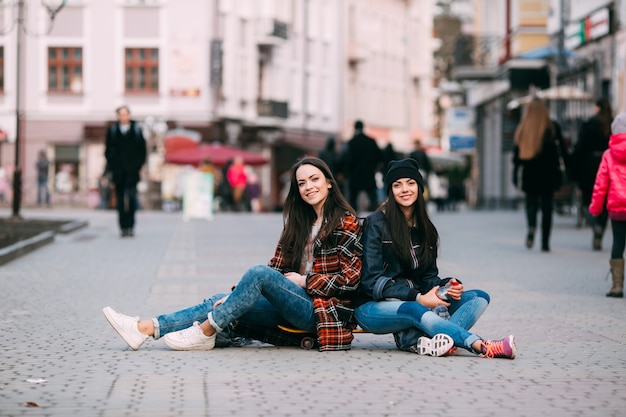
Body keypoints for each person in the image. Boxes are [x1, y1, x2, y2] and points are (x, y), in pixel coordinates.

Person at [103, 157, 363, 352]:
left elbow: (351, 281)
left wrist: (305, 281)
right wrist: (235, 296)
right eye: (302, 183)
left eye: (314, 179)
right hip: (288, 303)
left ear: (329, 182)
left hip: (320, 312)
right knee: (220, 299)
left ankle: (205, 331)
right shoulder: (298, 224)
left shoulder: (346, 223)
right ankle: (144, 329)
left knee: (257, 273)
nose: (308, 187)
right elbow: (276, 269)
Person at [354, 158, 516, 359]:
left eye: (410, 183)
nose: (405, 189)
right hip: (372, 307)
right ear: (390, 191)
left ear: (420, 188)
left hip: (417, 301)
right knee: (415, 308)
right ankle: (480, 345)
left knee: (479, 297)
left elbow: (428, 277)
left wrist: (446, 286)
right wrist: (418, 297)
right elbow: (371, 282)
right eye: (397, 185)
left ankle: (424, 341)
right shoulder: (375, 223)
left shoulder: (426, 229)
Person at [512, 98, 567, 252]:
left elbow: (517, 156)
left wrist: (515, 174)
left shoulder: (523, 128)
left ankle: (531, 228)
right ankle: (545, 242)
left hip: (530, 173)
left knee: (531, 204)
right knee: (547, 208)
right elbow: (561, 151)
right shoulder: (552, 127)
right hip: (548, 173)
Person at [589, 113, 626, 298]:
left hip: (617, 208)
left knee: (618, 243)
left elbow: (600, 184)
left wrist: (595, 208)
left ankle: (617, 285)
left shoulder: (609, 155)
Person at [571, 98, 613, 250]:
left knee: (588, 199)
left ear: (597, 108)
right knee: (606, 200)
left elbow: (580, 148)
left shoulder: (589, 125)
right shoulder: (613, 125)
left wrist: (574, 168)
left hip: (589, 166)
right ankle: (600, 226)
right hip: (609, 166)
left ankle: (595, 224)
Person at [104, 105, 147, 237]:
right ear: (118, 116)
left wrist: (138, 166)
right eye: (120, 114)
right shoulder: (112, 131)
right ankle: (123, 228)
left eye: (125, 114)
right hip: (118, 173)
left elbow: (142, 151)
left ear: (129, 115)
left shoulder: (137, 130)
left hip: (132, 172)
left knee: (132, 199)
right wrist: (111, 169)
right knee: (121, 201)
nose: (123, 117)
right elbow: (107, 152)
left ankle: (131, 226)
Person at [342, 120, 384, 213]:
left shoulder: (351, 142)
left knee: (352, 202)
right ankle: (376, 219)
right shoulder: (371, 141)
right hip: (368, 174)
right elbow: (379, 157)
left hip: (355, 176)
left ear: (355, 128)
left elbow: (346, 160)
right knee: (373, 200)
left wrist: (346, 174)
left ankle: (353, 220)